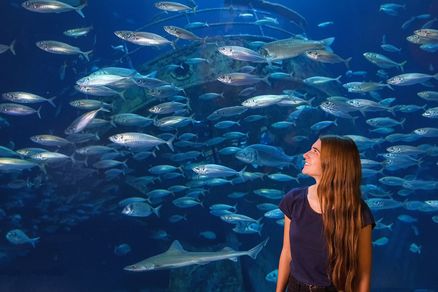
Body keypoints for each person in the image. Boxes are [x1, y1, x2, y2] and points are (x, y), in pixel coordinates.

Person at [276, 135, 375, 292]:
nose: (305, 154)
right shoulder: (294, 200)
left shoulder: (358, 212)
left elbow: (363, 272)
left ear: (333, 162)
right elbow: (287, 252)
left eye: (314, 151)